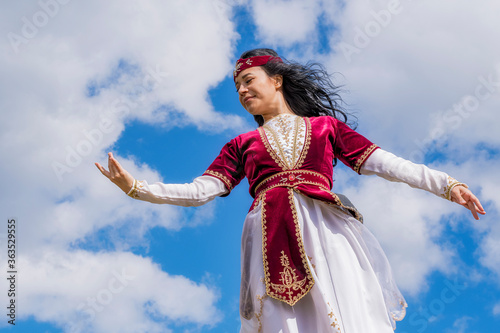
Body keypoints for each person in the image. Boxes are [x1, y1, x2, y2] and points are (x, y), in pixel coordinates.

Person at [95, 48, 485, 333]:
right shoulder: (241, 144)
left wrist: (447, 185)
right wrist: (137, 188)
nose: (243, 91)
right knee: (283, 321)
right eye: (238, 88)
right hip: (269, 235)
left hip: (326, 229)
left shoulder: (324, 128)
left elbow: (385, 162)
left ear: (275, 79)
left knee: (343, 308)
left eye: (249, 81)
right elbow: (200, 190)